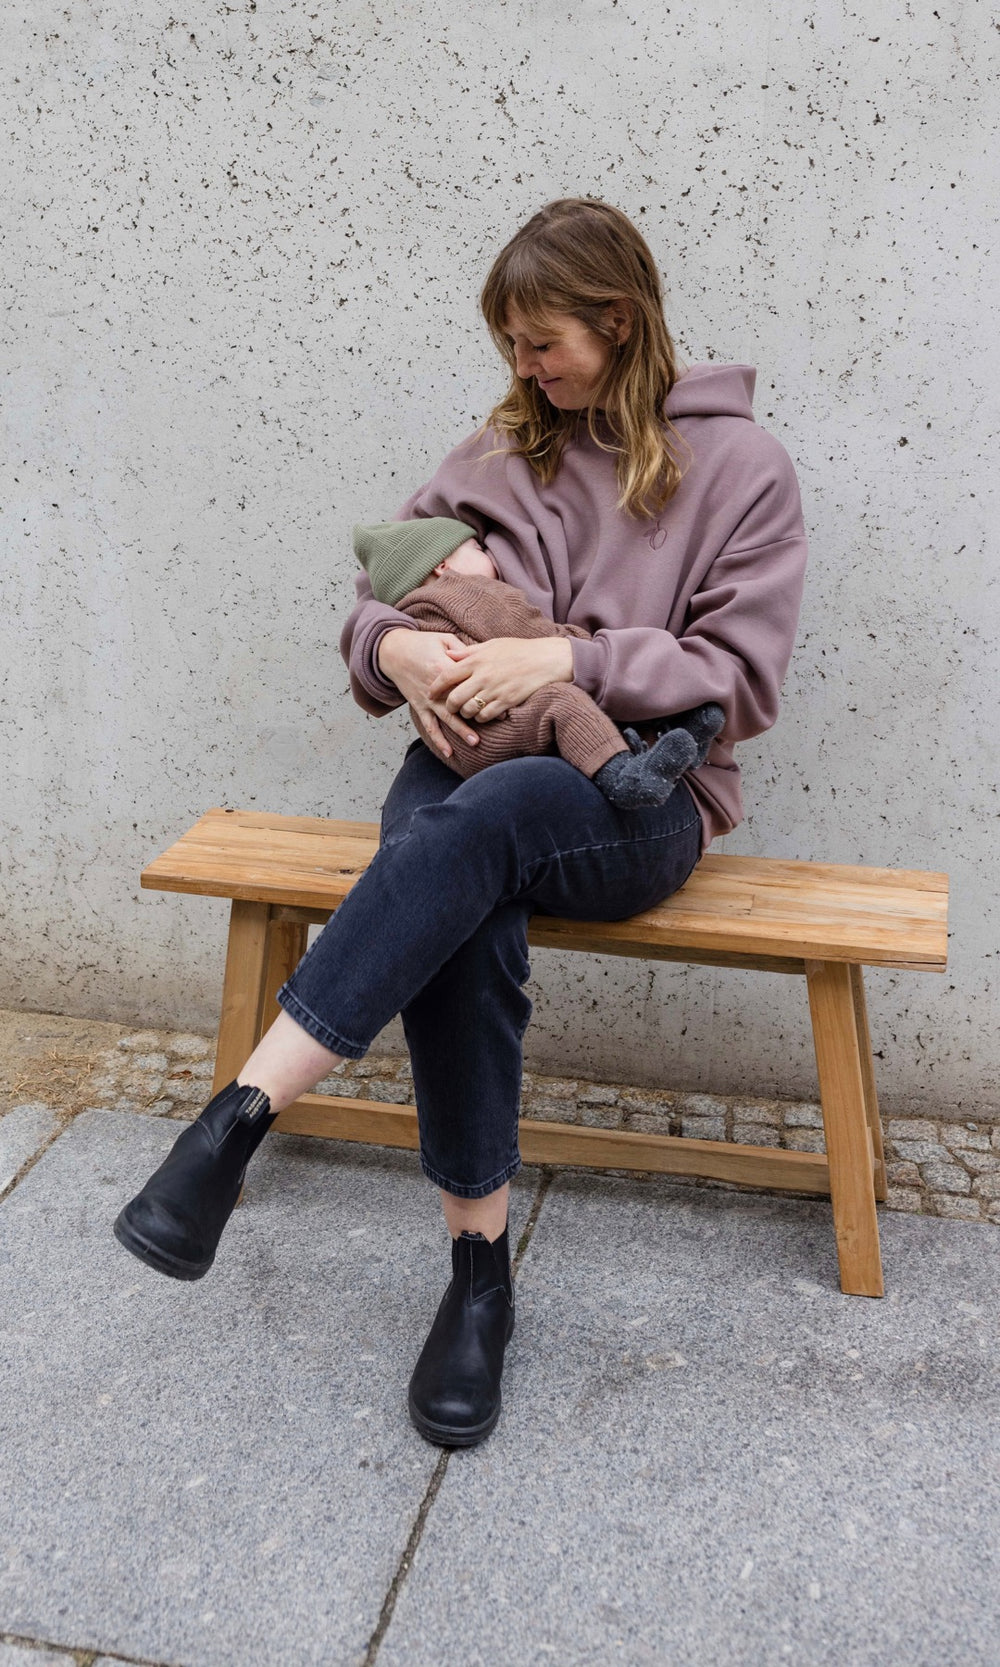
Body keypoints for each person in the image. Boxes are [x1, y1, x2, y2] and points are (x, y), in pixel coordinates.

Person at [113, 197, 808, 1451]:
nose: (524, 371)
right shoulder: (504, 446)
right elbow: (378, 595)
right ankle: (477, 1276)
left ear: (619, 319)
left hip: (635, 794)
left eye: (543, 343)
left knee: (477, 830)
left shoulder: (743, 468)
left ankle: (239, 1118)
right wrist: (410, 652)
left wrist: (568, 657)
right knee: (459, 888)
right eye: (509, 348)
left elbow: (741, 681)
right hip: (468, 773)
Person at [351, 514, 726, 806]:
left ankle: (674, 738)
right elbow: (531, 632)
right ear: (442, 566)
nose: (492, 558)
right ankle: (625, 777)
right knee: (564, 702)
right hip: (497, 724)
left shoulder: (415, 618)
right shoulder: (469, 593)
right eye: (478, 549)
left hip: (460, 748)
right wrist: (581, 647)